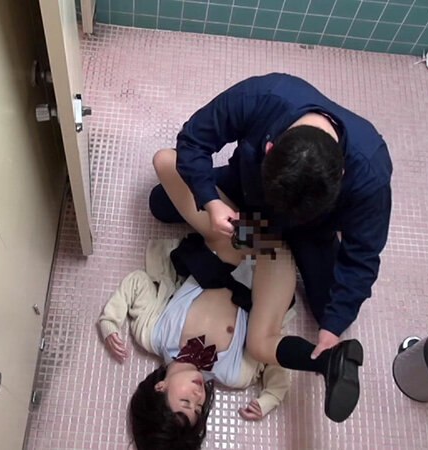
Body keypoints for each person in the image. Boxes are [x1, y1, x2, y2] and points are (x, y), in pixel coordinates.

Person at [148, 73, 392, 422]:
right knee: (160, 202)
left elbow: (363, 257)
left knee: (333, 312)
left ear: (340, 175)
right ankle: (259, 221)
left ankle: (328, 358)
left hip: (305, 233)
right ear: (269, 148)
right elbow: (191, 142)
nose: (196, 397)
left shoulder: (370, 172)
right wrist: (210, 202)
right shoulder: (261, 96)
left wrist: (332, 327)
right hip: (247, 213)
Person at [98, 235, 293, 450]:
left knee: (169, 213)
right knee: (280, 246)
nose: (198, 396)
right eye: (199, 408)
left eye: (186, 402)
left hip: (221, 243)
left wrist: (110, 321)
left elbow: (138, 282)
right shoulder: (233, 373)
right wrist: (271, 397)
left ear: (160, 387)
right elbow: (274, 354)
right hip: (262, 269)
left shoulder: (154, 335)